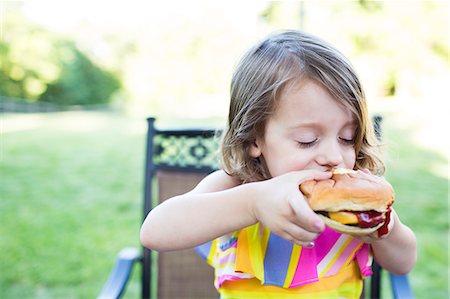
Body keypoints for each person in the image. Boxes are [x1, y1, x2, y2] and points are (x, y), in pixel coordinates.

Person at [140, 30, 416, 298]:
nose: (334, 156)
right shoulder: (234, 186)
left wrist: (384, 230)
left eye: (347, 137)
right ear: (254, 139)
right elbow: (155, 231)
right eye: (308, 140)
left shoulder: (352, 203)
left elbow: (403, 263)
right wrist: (252, 203)